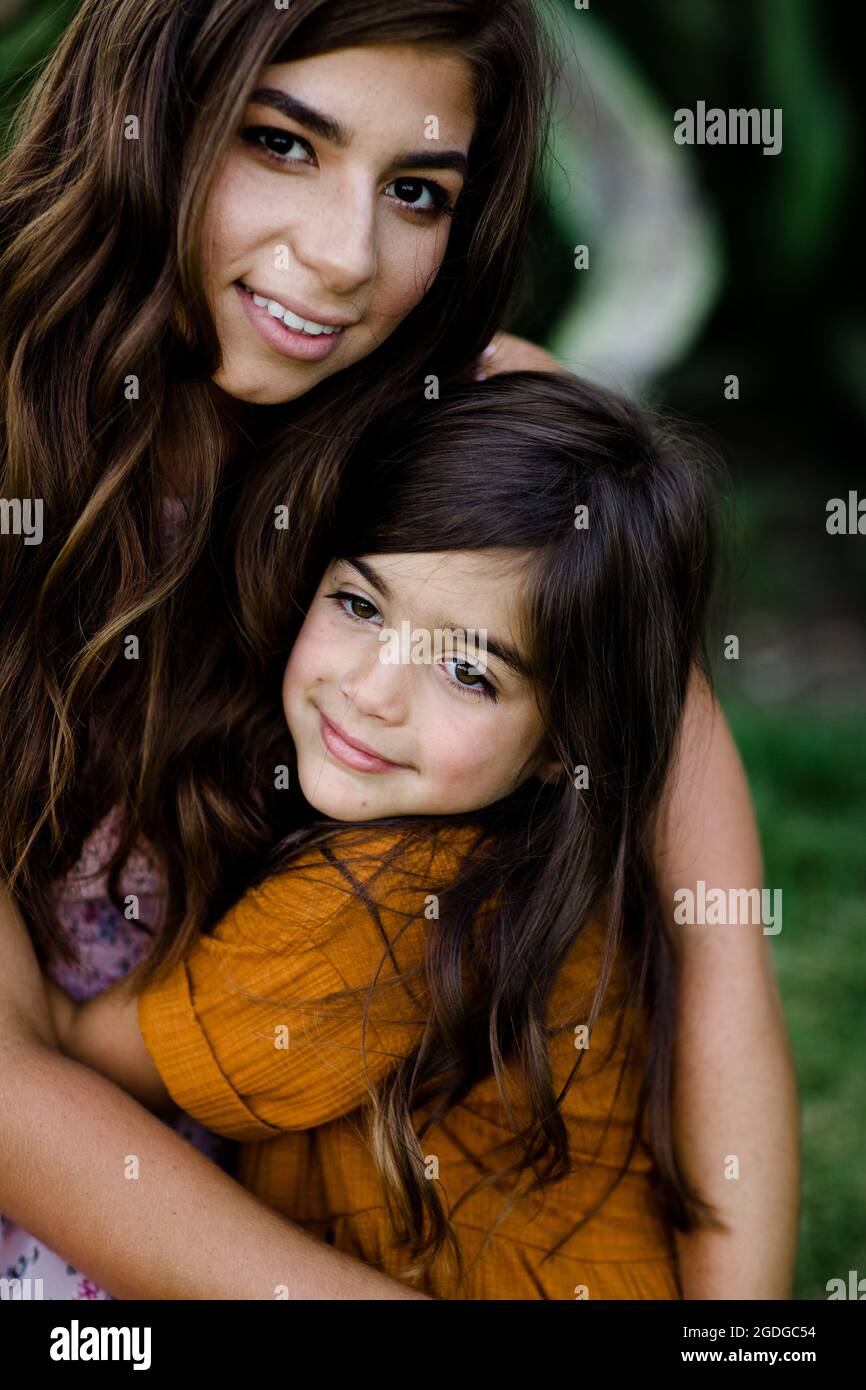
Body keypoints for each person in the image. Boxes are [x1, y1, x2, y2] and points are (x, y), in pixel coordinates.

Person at [0, 1, 798, 1299]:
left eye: (416, 188)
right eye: (281, 142)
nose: (339, 259)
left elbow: (709, 935)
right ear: (145, 118)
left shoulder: (481, 458)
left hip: (322, 1180)